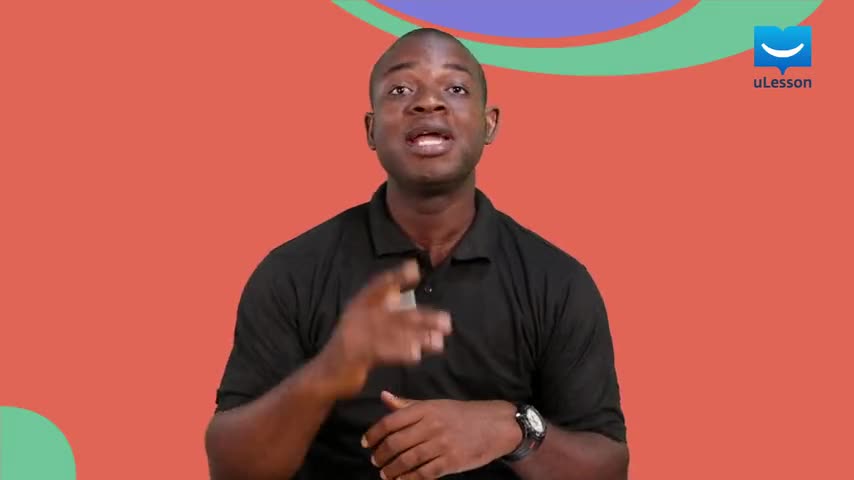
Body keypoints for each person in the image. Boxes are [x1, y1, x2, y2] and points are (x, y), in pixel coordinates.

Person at [205, 27, 629, 480]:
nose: (428, 102)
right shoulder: (292, 273)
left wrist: (511, 428)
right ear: (371, 130)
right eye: (401, 90)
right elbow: (231, 468)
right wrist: (326, 372)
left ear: (489, 123)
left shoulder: (557, 282)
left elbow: (608, 467)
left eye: (456, 88)